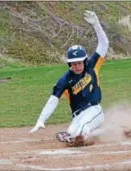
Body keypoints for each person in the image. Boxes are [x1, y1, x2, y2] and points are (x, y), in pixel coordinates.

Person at [29, 10, 109, 146]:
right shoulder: (65, 80)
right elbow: (53, 100)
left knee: (83, 129)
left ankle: (87, 136)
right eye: (73, 63)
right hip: (77, 116)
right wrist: (41, 120)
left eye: (79, 62)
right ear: (69, 64)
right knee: (72, 132)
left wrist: (96, 24)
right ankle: (106, 131)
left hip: (94, 110)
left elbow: (104, 44)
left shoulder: (91, 66)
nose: (77, 66)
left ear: (84, 61)